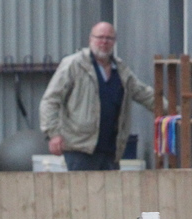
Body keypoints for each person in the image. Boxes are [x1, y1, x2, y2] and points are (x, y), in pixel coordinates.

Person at [39, 21, 160, 171]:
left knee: (111, 195)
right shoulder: (73, 65)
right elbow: (50, 100)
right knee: (82, 193)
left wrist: (176, 111)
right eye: (100, 37)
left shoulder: (121, 70)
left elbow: (143, 93)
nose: (104, 42)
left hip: (111, 150)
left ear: (114, 42)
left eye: (109, 38)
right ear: (90, 39)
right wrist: (53, 133)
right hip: (80, 149)